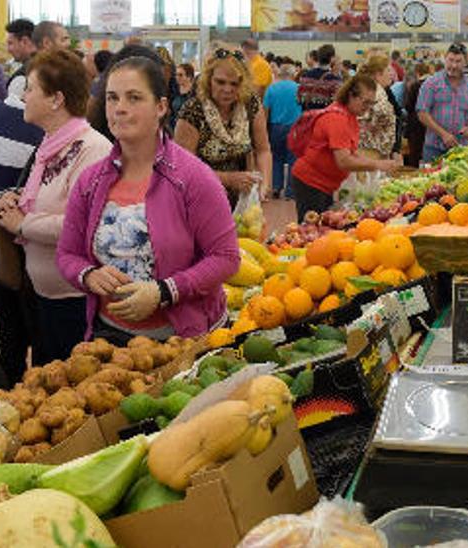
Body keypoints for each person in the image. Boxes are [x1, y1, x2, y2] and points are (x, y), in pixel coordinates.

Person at [57, 57, 239, 343]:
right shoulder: (90, 181)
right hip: (110, 336)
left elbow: (226, 258)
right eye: (112, 98)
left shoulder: (193, 178)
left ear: (161, 107)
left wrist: (164, 291)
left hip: (183, 339)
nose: (120, 108)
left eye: (134, 98)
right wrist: (88, 274)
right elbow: (67, 254)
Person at [0, 50, 112, 366]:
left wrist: (22, 224)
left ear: (56, 99)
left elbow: (83, 224)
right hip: (42, 294)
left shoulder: (93, 150)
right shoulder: (51, 145)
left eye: (30, 88)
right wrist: (15, 199)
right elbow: (46, 198)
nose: (23, 95)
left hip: (75, 300)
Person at [0, 77, 44, 386]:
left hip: (22, 254)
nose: (23, 98)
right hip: (19, 253)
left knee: (13, 343)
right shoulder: (47, 139)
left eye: (32, 91)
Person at [291, 75, 401, 221]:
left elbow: (351, 153)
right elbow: (344, 161)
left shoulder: (349, 116)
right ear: (351, 96)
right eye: (365, 102)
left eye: (371, 103)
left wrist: (374, 163)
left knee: (321, 224)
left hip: (324, 184)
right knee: (311, 228)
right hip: (311, 182)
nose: (367, 108)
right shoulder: (338, 119)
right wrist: (377, 164)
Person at [174, 49, 271, 206]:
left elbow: (263, 150)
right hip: (200, 199)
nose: (227, 89)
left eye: (235, 83)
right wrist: (228, 179)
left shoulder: (250, 104)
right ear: (208, 80)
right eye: (220, 82)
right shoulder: (193, 111)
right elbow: (183, 169)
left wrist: (264, 185)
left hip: (242, 199)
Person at [416, 43, 468, 164]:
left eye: (458, 61)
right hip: (434, 148)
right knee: (430, 181)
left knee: (458, 181)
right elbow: (422, 113)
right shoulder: (431, 84)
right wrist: (443, 134)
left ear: (466, 62)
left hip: (461, 149)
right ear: (445, 59)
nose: (453, 65)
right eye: (450, 60)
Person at [263, 62, 301, 199]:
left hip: (276, 127)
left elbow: (265, 111)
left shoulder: (271, 89)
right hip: (295, 127)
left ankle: (276, 187)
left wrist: (264, 130)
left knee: (276, 158)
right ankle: (290, 192)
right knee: (293, 159)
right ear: (293, 74)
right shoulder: (299, 89)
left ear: (280, 74)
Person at [356, 54, 403, 160]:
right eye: (388, 70)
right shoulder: (376, 94)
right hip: (372, 154)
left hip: (369, 152)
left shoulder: (369, 89)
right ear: (378, 74)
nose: (391, 74)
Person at [402, 63, 433, 168]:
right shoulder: (435, 85)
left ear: (417, 73)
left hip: (416, 125)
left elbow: (408, 106)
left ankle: (414, 175)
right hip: (432, 124)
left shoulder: (415, 86)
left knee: (415, 154)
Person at [297, 44, 344, 111]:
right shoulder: (335, 80)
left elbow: (298, 99)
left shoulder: (305, 76)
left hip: (308, 117)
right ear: (332, 58)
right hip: (325, 118)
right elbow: (339, 103)